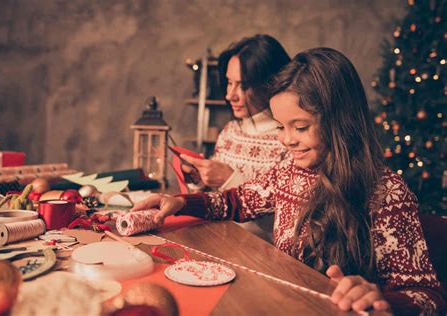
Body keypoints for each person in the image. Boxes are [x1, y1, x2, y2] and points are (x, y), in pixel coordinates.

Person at [133, 48, 445, 314]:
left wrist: (382, 300)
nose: (287, 140)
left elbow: (426, 295)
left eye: (300, 126)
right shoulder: (288, 171)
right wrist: (181, 202)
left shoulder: (386, 193)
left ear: (341, 121)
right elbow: (236, 201)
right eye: (281, 127)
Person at [181, 34, 291, 242]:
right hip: (220, 242)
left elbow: (286, 223)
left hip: (262, 254)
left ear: (270, 83)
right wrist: (198, 180)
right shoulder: (229, 132)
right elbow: (214, 200)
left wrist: (230, 179)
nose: (230, 95)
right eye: (229, 83)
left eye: (242, 85)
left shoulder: (290, 139)